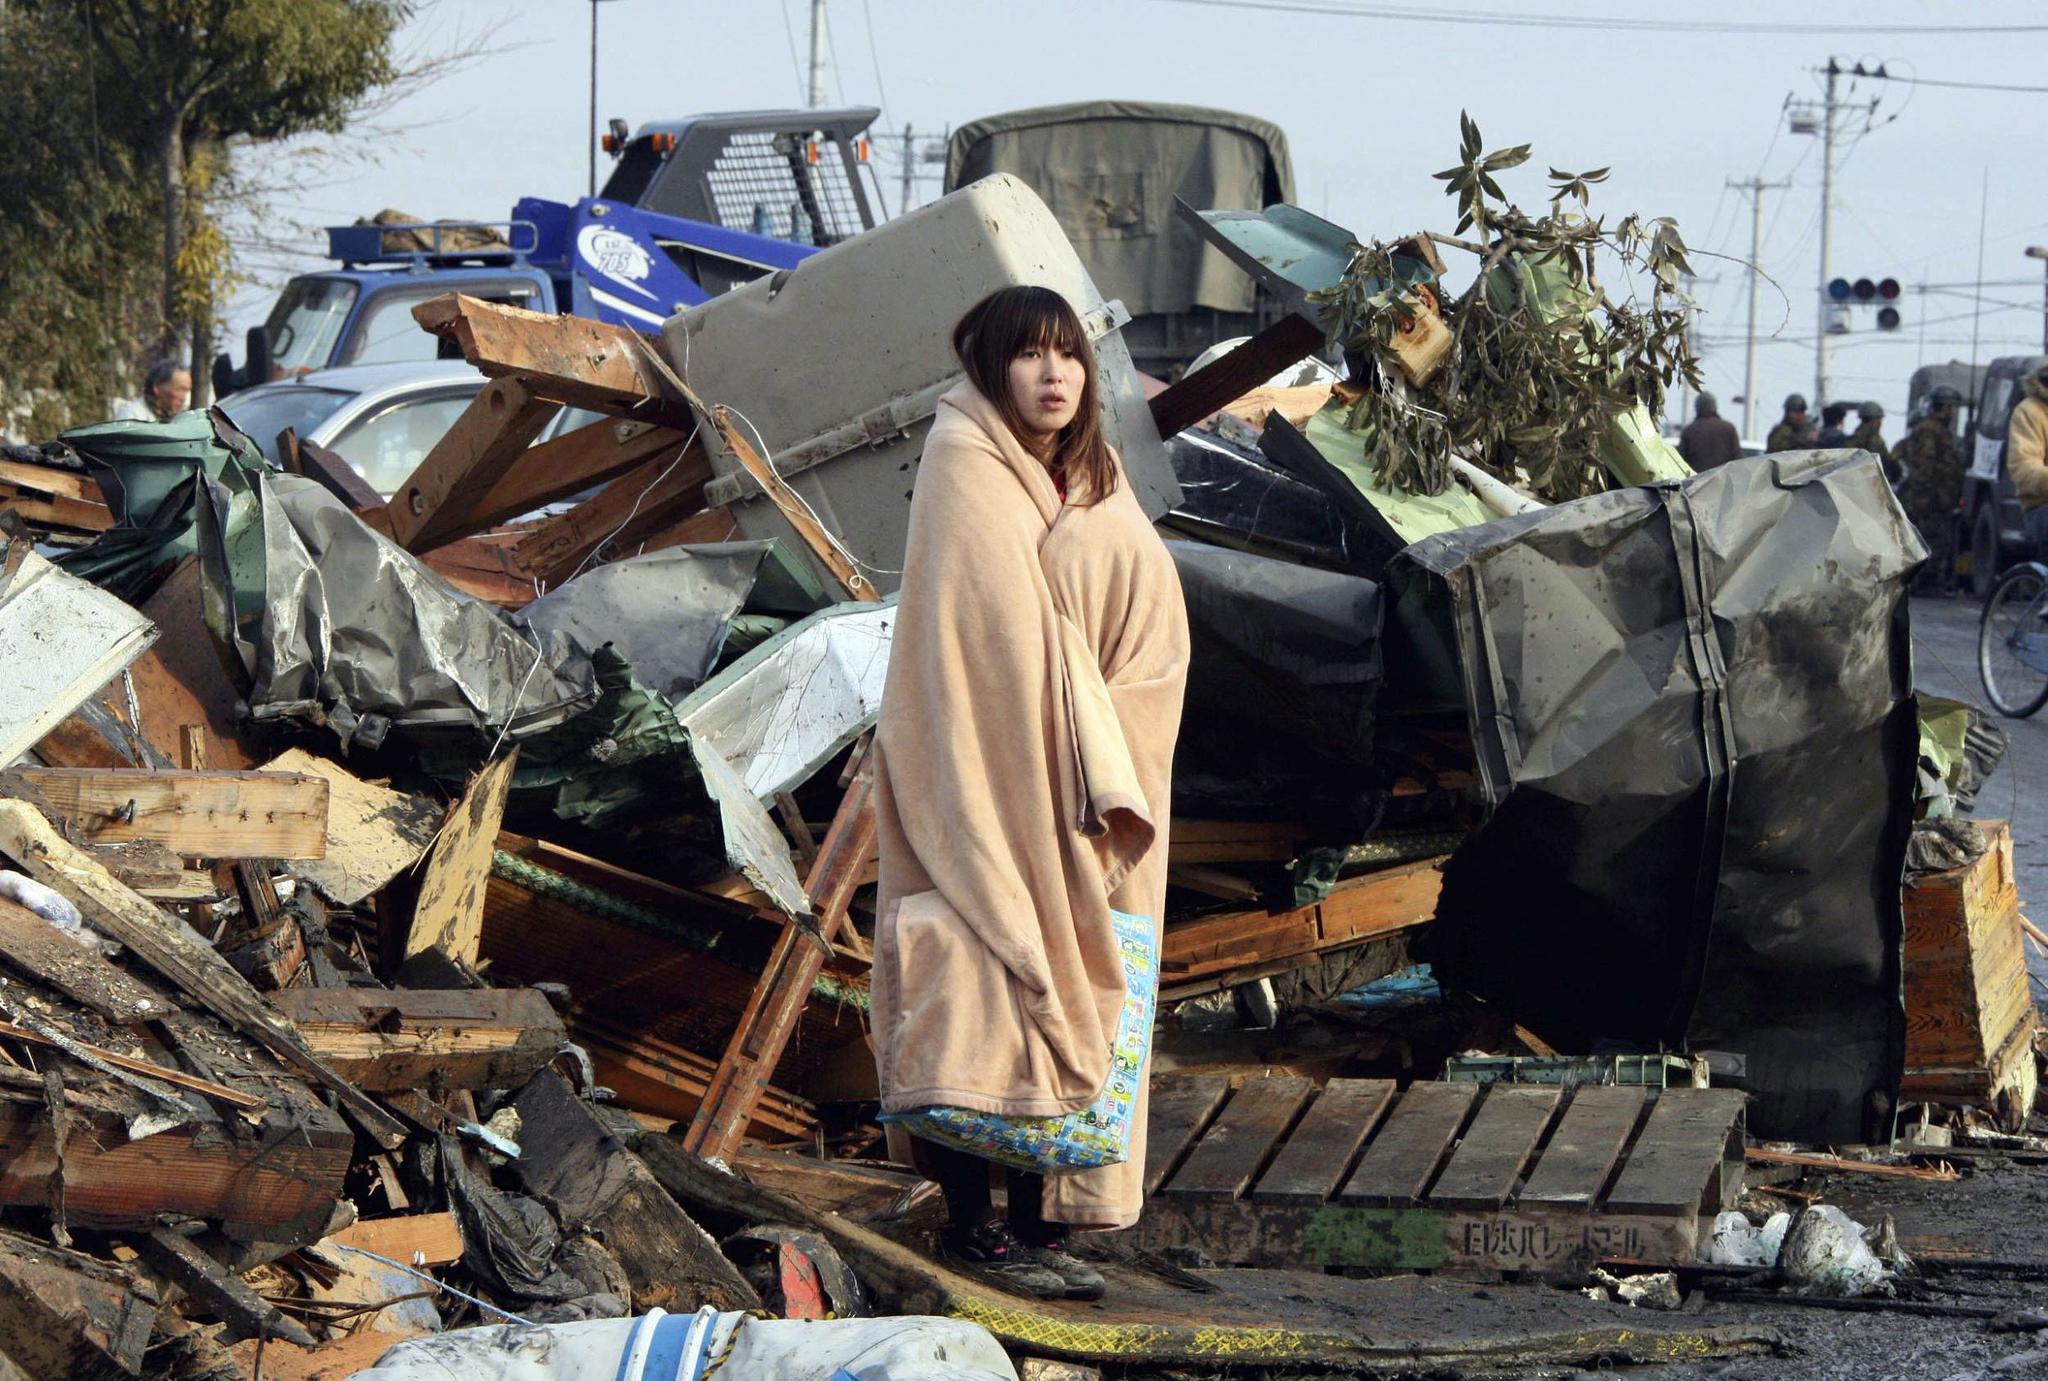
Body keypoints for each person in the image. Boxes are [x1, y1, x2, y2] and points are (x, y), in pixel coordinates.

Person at [868, 286, 1189, 1301]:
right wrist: (1061, 734)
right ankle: (973, 1223)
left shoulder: (1089, 475)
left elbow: (1126, 613)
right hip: (986, 770)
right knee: (981, 977)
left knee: (1059, 990)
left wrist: (1106, 729)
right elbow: (987, 651)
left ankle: (1029, 1221)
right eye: (1029, 355)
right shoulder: (968, 468)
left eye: (1070, 356)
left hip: (1094, 777)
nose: (1054, 374)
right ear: (989, 368)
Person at [1898, 385, 1966, 595]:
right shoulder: (1929, 430)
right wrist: (1926, 499)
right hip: (1929, 500)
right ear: (1943, 407)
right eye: (1951, 408)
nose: (1953, 413)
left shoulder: (1937, 430)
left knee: (1936, 539)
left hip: (1938, 498)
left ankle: (1927, 581)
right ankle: (1926, 582)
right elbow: (1924, 468)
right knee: (1932, 540)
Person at [1678, 391, 1741, 471]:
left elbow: (1680, 461)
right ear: (1715, 407)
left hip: (1697, 480)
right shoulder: (1728, 428)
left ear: (1697, 408)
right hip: (1722, 480)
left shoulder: (1689, 431)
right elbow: (1737, 459)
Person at [112, 361, 192, 422]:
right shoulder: (131, 418)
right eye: (180, 389)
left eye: (187, 391)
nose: (184, 398)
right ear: (157, 387)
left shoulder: (180, 420)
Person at [1851, 400, 1895, 483]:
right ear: (1875, 420)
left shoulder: (1852, 438)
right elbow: (1884, 460)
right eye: (1879, 419)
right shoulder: (1874, 437)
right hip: (1871, 483)